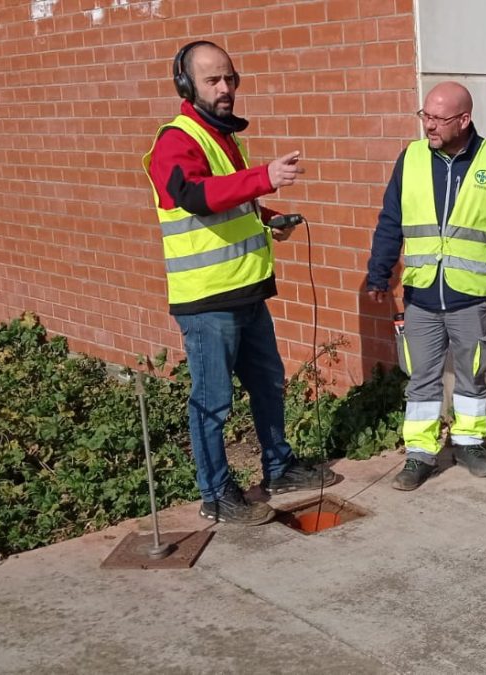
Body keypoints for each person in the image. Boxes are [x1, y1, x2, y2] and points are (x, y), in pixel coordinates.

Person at [143, 40, 336, 525]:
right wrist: (265, 177)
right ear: (187, 86)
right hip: (207, 300)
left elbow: (235, 201)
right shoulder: (177, 139)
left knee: (268, 382)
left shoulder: (226, 138)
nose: (226, 88)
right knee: (213, 401)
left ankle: (279, 466)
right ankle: (216, 494)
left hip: (247, 290)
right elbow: (194, 196)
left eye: (230, 78)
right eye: (213, 80)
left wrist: (269, 218)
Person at [367, 81, 486, 491]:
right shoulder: (410, 159)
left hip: (469, 296)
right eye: (424, 115)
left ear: (464, 120)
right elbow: (391, 220)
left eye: (437, 118)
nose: (428, 125)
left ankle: (468, 444)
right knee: (421, 377)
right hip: (422, 294)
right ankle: (420, 455)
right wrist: (379, 271)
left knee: (472, 374)